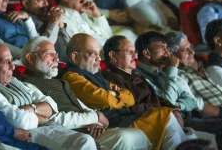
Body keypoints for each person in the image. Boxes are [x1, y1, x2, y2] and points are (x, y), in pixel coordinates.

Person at [62, 33, 190, 150]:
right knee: (165, 115)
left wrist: (115, 95)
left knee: (169, 117)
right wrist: (115, 95)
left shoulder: (98, 75)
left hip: (126, 117)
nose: (99, 59)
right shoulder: (72, 76)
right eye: (92, 53)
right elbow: (104, 99)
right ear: (75, 56)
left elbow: (130, 97)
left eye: (98, 53)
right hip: (115, 121)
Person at [21, 36, 152, 150]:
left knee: (138, 136)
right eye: (50, 54)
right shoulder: (28, 85)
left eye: (56, 54)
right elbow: (51, 118)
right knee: (125, 137)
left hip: (90, 128)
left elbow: (81, 106)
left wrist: (94, 120)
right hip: (69, 135)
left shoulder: (59, 81)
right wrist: (93, 118)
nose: (56, 58)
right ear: (30, 58)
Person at [0, 43, 99, 150]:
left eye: (12, 61)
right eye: (7, 62)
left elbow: (52, 105)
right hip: (28, 134)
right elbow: (20, 121)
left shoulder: (15, 81)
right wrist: (43, 116)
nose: (13, 66)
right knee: (84, 142)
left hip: (47, 127)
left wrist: (31, 109)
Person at [165, 31, 222, 113]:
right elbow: (194, 105)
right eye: (185, 50)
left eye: (191, 46)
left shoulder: (207, 61)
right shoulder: (179, 77)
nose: (192, 52)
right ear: (172, 55)